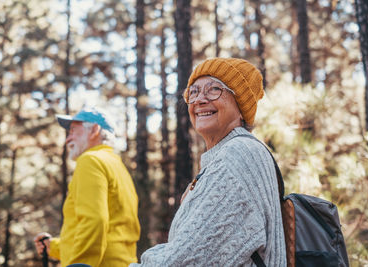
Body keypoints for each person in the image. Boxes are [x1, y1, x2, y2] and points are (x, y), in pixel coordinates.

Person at [130, 58, 286, 266]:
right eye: (193, 92)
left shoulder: (239, 154)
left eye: (214, 89)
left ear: (241, 106)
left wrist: (143, 260)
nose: (199, 100)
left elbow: (184, 260)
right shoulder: (222, 159)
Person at [34, 107, 140, 267]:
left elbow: (94, 221)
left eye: (73, 131)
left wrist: (79, 264)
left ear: (94, 131)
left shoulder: (90, 160)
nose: (67, 139)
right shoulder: (117, 165)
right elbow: (110, 229)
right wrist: (54, 247)